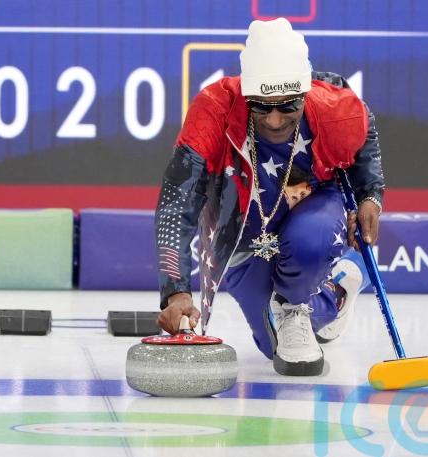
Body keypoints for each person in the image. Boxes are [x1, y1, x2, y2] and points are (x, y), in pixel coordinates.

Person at [155, 18, 384, 376]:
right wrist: (175, 290)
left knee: (310, 245)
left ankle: (298, 299)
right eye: (261, 106)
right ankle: (335, 292)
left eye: (288, 105)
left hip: (305, 196)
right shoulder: (213, 110)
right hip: (242, 227)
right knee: (270, 344)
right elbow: (176, 202)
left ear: (305, 93)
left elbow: (363, 136)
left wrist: (370, 197)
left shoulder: (334, 108)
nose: (275, 120)